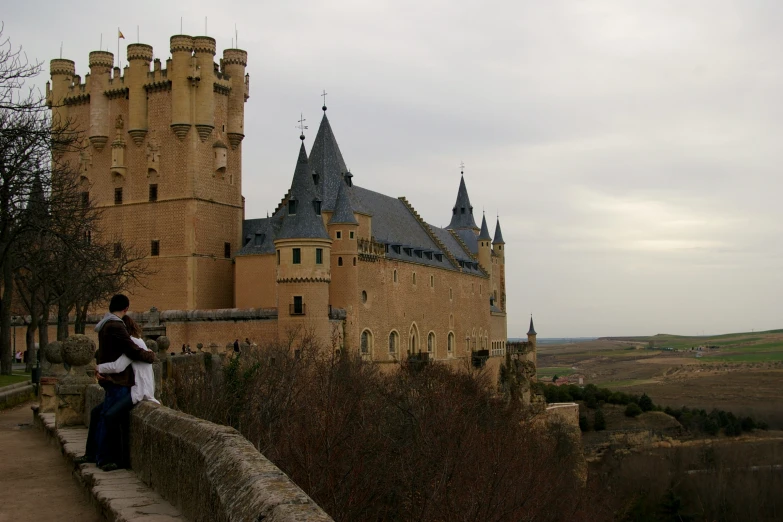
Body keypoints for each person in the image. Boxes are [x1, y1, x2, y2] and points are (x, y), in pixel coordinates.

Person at [88, 294, 155, 471]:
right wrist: (150, 355)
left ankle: (98, 455)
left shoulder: (104, 325)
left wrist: (99, 368)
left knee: (103, 414)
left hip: (120, 382)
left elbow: (116, 359)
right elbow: (129, 355)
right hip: (122, 383)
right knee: (107, 416)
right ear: (125, 308)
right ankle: (105, 458)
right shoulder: (118, 328)